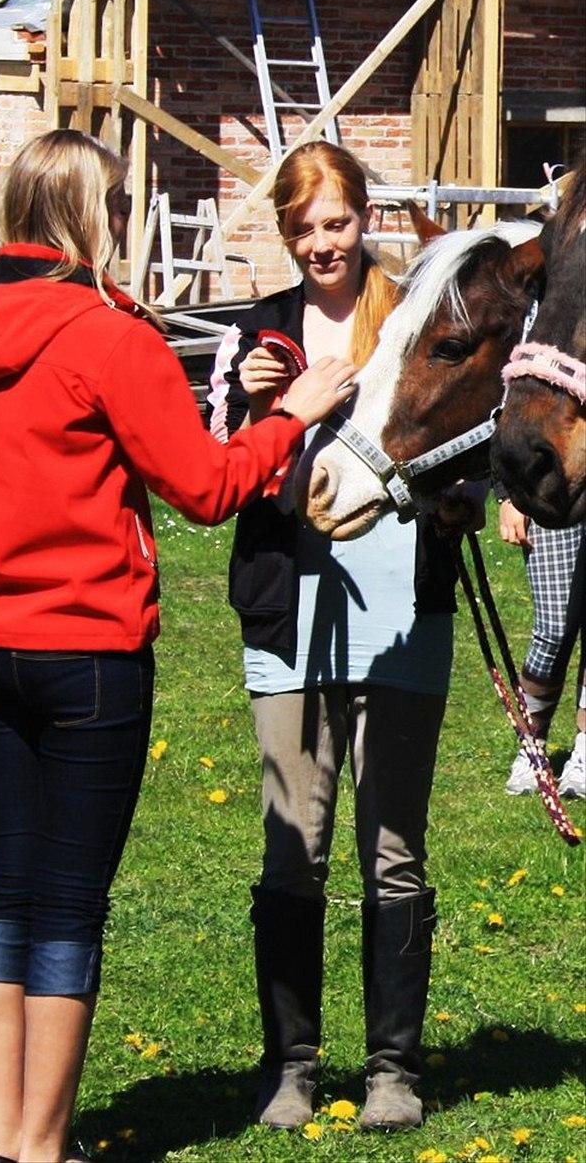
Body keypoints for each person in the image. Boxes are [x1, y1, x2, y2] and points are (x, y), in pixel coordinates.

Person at [0, 129, 354, 1163]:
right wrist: (286, 416)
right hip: (90, 650)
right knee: (66, 903)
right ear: (88, 214)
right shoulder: (109, 334)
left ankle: (2, 1138)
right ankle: (38, 1140)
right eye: (115, 205)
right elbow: (203, 486)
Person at [207, 141, 485, 1133]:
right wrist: (256, 405)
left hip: (403, 612)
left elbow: (466, 431)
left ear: (363, 215)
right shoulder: (260, 334)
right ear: (284, 235)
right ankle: (289, 1067)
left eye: (336, 222)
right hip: (290, 619)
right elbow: (217, 475)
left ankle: (390, 1072)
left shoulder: (414, 316)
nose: (323, 243)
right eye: (303, 228)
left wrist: (459, 499)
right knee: (294, 852)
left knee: (393, 851)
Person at [498, 501, 585, 798]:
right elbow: (501, 450)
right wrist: (509, 496)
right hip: (550, 494)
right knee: (553, 630)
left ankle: (584, 752)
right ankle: (532, 751)